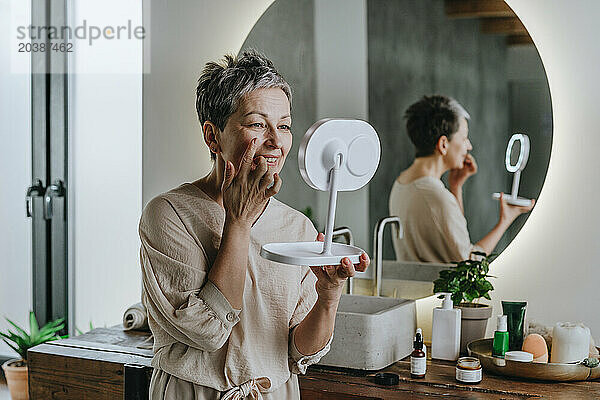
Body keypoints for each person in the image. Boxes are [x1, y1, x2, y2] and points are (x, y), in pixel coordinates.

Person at [139, 50, 369, 399]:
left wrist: (328, 295)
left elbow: (300, 350)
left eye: (285, 125)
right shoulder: (169, 214)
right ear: (212, 136)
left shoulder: (298, 228)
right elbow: (207, 332)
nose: (276, 141)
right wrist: (239, 220)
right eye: (258, 124)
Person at [389, 95, 535, 263]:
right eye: (464, 138)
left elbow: (454, 241)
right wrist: (505, 220)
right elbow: (469, 262)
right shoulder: (437, 196)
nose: (469, 146)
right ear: (443, 144)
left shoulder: (401, 182)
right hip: (436, 290)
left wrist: (456, 187)